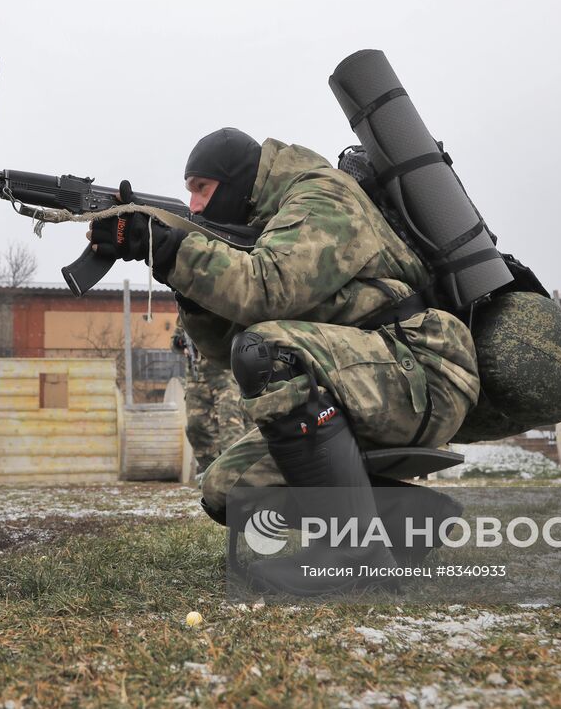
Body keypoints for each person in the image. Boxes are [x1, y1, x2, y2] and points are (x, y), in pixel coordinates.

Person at [90, 127, 480, 593]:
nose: (193, 206)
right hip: (363, 379)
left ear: (236, 183)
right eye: (188, 193)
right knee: (229, 492)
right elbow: (222, 350)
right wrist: (185, 284)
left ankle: (358, 559)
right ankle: (412, 522)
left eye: (202, 189)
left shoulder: (324, 195)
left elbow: (268, 290)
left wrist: (174, 249)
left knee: (270, 351)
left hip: (422, 367)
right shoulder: (266, 225)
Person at [172, 319, 249, 475]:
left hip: (226, 374)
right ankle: (211, 472)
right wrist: (180, 343)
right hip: (197, 377)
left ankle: (235, 474)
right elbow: (175, 342)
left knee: (230, 425)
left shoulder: (221, 305)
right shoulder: (186, 310)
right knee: (196, 426)